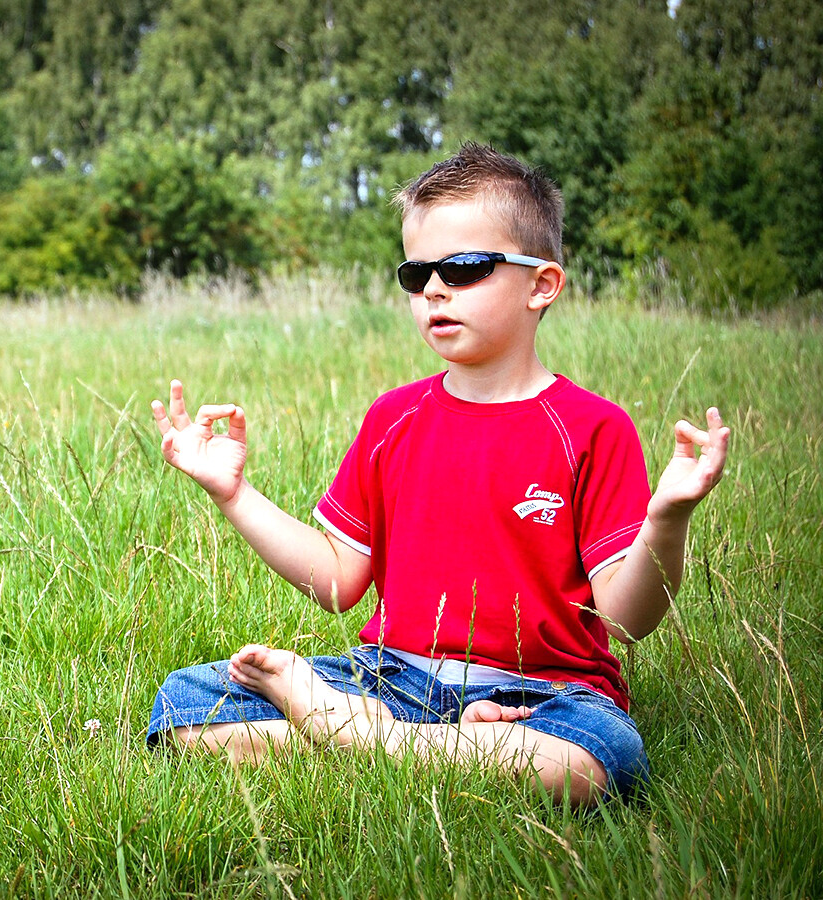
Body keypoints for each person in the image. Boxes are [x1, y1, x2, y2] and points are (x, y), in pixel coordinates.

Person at [145, 142, 730, 806]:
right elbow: (340, 580)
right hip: (392, 678)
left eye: (467, 267)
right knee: (186, 704)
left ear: (543, 284)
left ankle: (358, 739)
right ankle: (415, 744)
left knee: (598, 763)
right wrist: (234, 494)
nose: (433, 289)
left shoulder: (592, 428)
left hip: (544, 694)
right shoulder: (393, 419)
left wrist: (668, 518)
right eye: (416, 272)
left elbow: (624, 621)